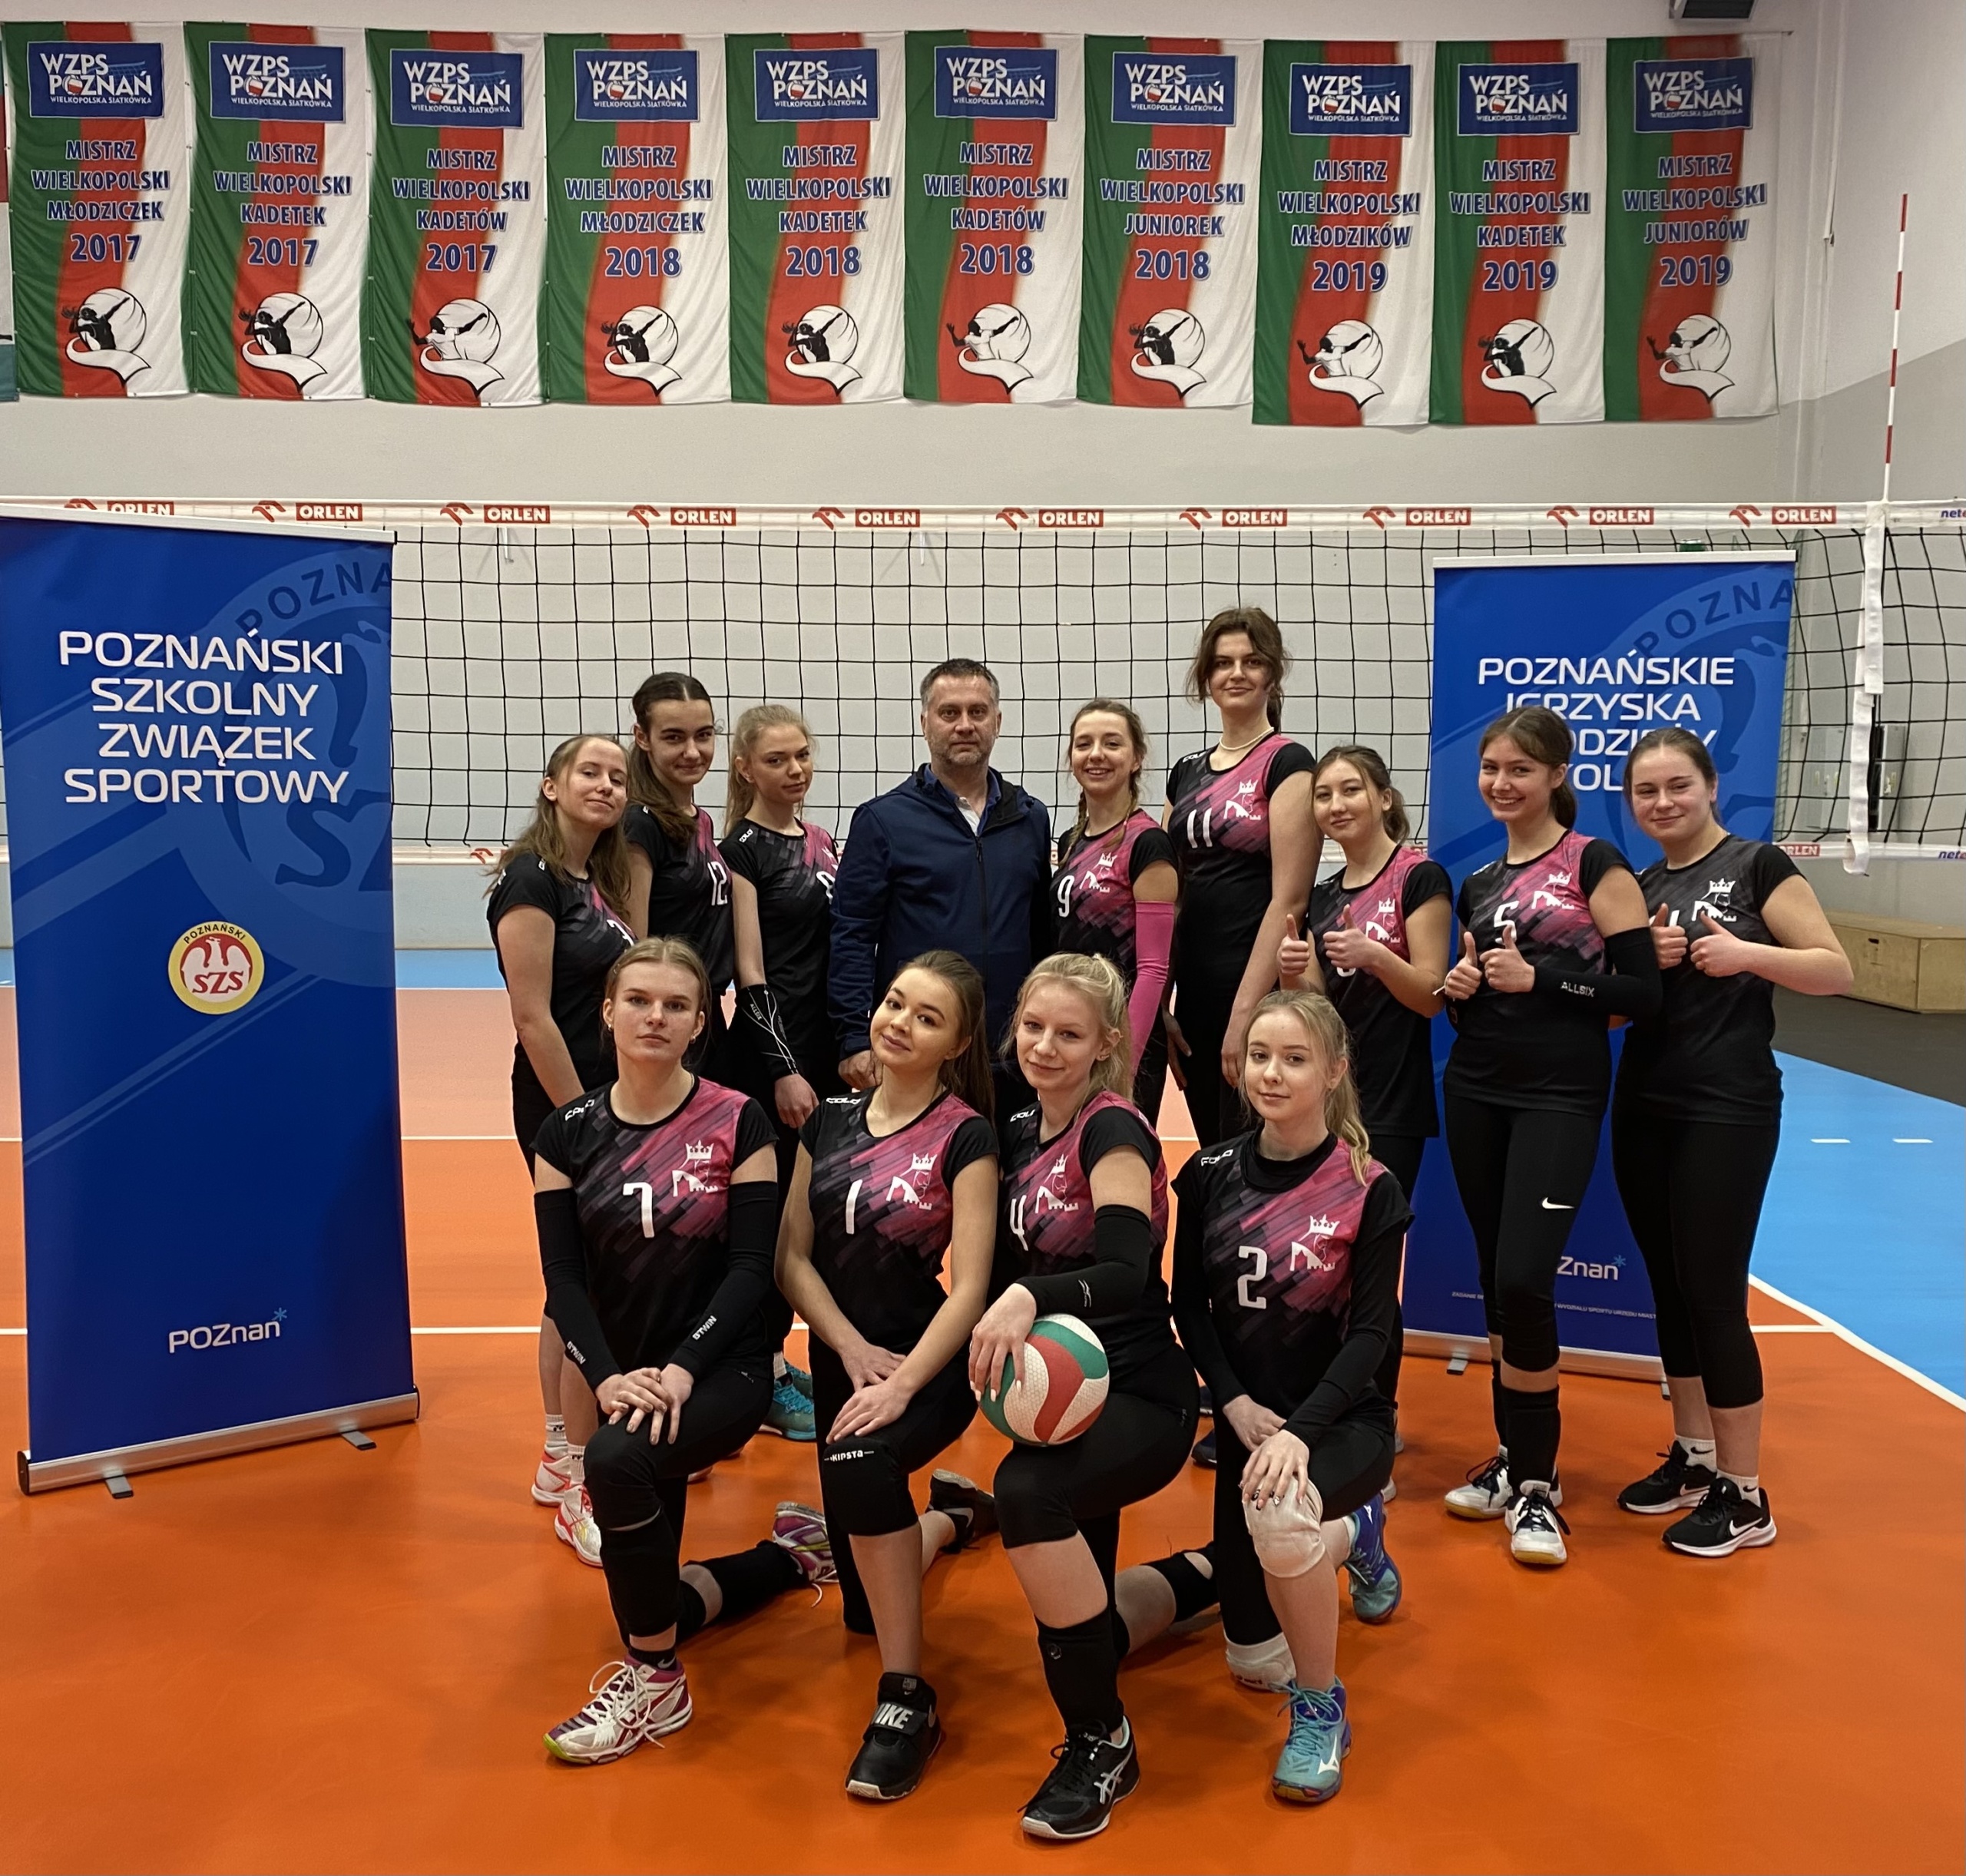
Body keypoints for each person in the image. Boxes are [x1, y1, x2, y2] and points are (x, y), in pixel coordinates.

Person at [533, 939, 836, 1766]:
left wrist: (680, 1370)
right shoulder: (566, 1134)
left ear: (701, 1022)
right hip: (629, 1376)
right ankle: (789, 1556)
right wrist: (607, 1377)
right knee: (654, 1595)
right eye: (638, 1000)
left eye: (675, 1005)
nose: (655, 1017)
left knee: (614, 1460)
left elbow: (750, 1269)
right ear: (608, 1010)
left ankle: (658, 1685)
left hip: (721, 1369)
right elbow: (563, 1282)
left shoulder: (738, 1120)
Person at [971, 953, 1197, 1841]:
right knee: (1091, 1605)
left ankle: (1102, 1740)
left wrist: (1028, 1296)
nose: (1044, 1045)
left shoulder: (1113, 1129)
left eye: (1068, 1033)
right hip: (1060, 1390)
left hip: (1141, 1391)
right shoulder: (1022, 1127)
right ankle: (1219, 1571)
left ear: (1106, 1043)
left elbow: (1126, 1270)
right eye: (1033, 1026)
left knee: (1028, 1492)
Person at [1612, 726, 1850, 1557]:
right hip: (1644, 1104)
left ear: (1710, 786)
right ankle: (1696, 1455)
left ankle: (1746, 1495)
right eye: (1646, 791)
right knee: (1670, 1289)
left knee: (1713, 1294)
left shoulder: (1757, 866)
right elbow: (1618, 1010)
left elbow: (1833, 968)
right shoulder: (1641, 885)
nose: (1663, 801)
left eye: (1677, 784)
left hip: (1728, 1107)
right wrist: (1645, 966)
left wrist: (1743, 952)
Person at [1170, 989, 1408, 1805]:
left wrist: (1300, 1433)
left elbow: (1372, 1336)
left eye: (1295, 1059)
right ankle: (1352, 1532)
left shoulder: (1367, 1185)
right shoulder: (1208, 1173)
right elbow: (1188, 1305)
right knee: (1250, 1659)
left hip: (1339, 1421)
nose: (1271, 1073)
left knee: (1277, 1512)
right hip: (1252, 1421)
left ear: (1334, 1071)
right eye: (1261, 1056)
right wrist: (1232, 1402)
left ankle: (1321, 1708)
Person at [775, 952, 1001, 1801]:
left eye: (927, 1017)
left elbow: (971, 1286)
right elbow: (791, 1256)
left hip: (924, 1362)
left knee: (862, 1468)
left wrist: (900, 1382)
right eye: (896, 1003)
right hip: (846, 1359)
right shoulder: (826, 1121)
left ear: (958, 1044)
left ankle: (908, 1698)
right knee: (864, 1603)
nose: (900, 1023)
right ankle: (953, 1517)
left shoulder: (967, 1135)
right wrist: (846, 1347)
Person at [1438, 707, 1661, 1567]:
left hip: (1559, 1098)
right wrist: (1462, 989)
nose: (1501, 783)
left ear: (1558, 774)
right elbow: (1479, 1003)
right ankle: (1517, 1459)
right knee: (1496, 1281)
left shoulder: (1594, 864)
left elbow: (1642, 994)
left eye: (1520, 769)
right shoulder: (1480, 879)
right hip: (1476, 1088)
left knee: (1525, 1279)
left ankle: (1537, 1486)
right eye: (1491, 768)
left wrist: (1543, 978)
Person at [487, 734, 636, 1565]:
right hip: (564, 1108)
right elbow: (532, 1016)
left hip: (607, 1104)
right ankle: (580, 1479)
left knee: (573, 1280)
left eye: (618, 776)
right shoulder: (531, 879)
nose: (607, 785)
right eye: (590, 772)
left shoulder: (596, 880)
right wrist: (585, 1118)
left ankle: (558, 1450)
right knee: (595, 1285)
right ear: (552, 786)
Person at [1278, 746, 1451, 1457]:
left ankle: (1378, 1424)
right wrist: (1301, 974)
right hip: (1334, 1103)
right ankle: (1329, 1407)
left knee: (1375, 1275)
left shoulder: (1418, 876)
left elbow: (1433, 994)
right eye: (1324, 795)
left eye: (1350, 789)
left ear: (1384, 797)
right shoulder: (1322, 895)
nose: (1336, 805)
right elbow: (1325, 1015)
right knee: (1330, 1267)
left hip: (1394, 1101)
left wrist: (1376, 955)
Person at [829, 658, 1055, 1116]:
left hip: (1012, 1055)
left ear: (998, 722)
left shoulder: (1030, 817)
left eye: (978, 712)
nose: (965, 725)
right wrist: (854, 1039)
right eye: (949, 712)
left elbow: (1043, 937)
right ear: (925, 723)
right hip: (920, 1054)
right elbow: (852, 935)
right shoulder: (881, 821)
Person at [721, 703, 842, 1443]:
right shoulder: (741, 850)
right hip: (774, 1060)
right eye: (776, 759)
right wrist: (784, 1071)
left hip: (827, 1055)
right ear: (745, 768)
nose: (794, 770)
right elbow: (751, 974)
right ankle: (760, 1374)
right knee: (769, 1221)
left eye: (801, 755)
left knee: (811, 1218)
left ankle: (776, 1359)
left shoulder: (823, 841)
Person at [1164, 608, 1319, 1149]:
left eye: (1251, 662)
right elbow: (1169, 897)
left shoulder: (1289, 762)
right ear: (1206, 677)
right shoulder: (1186, 771)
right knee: (1212, 1153)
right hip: (1195, 994)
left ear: (1271, 675)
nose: (1236, 673)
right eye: (1223, 663)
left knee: (1255, 1151)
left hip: (1256, 990)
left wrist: (1246, 1012)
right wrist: (1163, 1006)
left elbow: (1290, 898)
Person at [1052, 700, 1180, 1120]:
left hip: (1121, 1041)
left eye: (1112, 743)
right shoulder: (1071, 841)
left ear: (1136, 758)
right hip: (1071, 1031)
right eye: (1084, 744)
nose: (1096, 755)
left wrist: (1123, 1062)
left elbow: (1154, 969)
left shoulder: (1148, 844)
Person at [624, 672, 735, 1080]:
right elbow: (634, 946)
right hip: (668, 1018)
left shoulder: (698, 820)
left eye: (703, 735)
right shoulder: (639, 824)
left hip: (704, 1014)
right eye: (674, 738)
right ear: (643, 737)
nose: (692, 751)